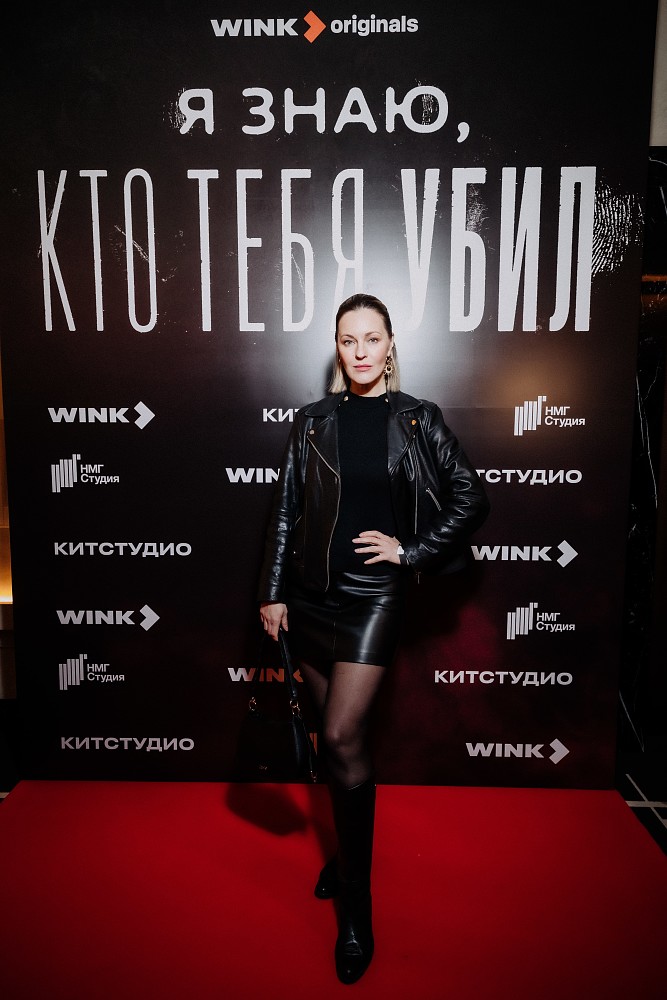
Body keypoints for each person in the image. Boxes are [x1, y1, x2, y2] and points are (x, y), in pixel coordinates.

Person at [257, 292, 489, 984]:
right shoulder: (312, 421)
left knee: (343, 736)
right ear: (338, 348)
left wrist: (410, 551)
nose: (359, 351)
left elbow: (471, 497)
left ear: (390, 346)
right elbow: (286, 510)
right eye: (347, 340)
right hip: (310, 597)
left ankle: (354, 912)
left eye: (371, 338)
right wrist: (272, 591)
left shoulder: (417, 418)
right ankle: (346, 854)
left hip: (373, 599)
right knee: (334, 747)